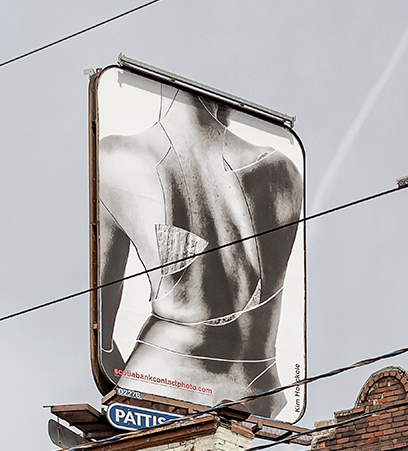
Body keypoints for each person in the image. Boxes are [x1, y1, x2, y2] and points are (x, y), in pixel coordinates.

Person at [94, 76, 303, 418]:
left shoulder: (118, 159)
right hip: (258, 392)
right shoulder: (283, 170)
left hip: (161, 384)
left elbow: (102, 332)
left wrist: (121, 387)